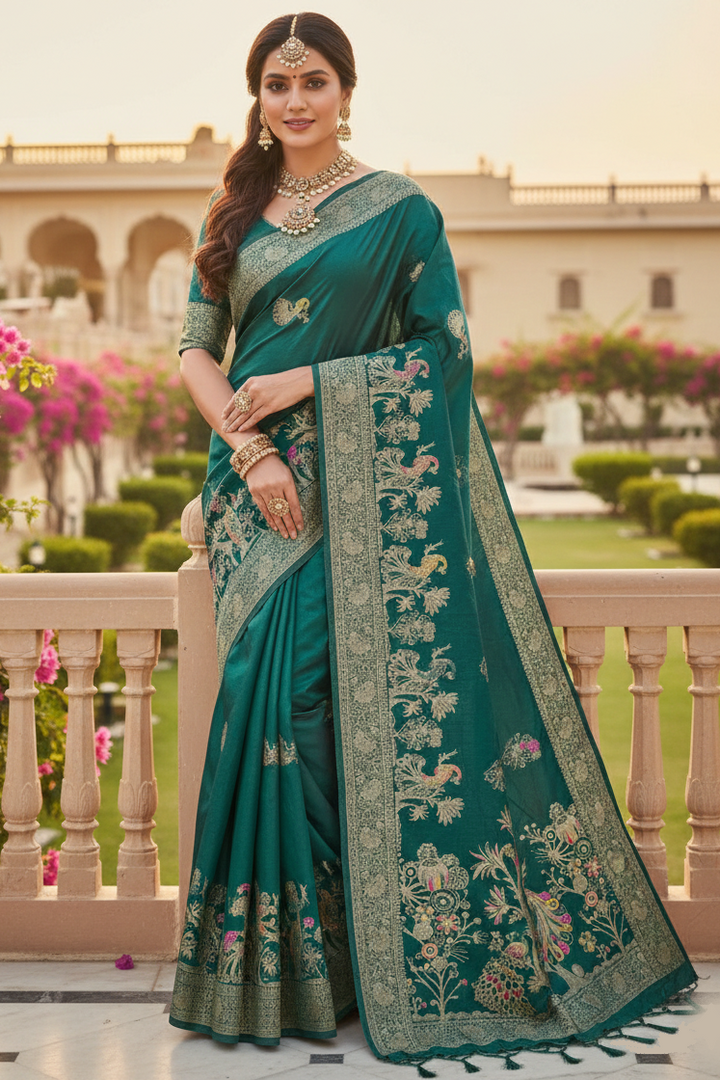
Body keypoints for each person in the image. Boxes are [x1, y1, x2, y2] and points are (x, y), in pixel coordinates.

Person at [168, 11, 695, 1071]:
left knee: (322, 706)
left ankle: (384, 957)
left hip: (372, 499)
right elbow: (193, 350)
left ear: (347, 92)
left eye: (315, 80)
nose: (297, 100)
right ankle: (294, 967)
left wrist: (316, 379)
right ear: (258, 98)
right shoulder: (235, 215)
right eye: (277, 83)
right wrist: (257, 451)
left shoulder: (401, 213)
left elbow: (445, 356)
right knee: (268, 707)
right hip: (255, 494)